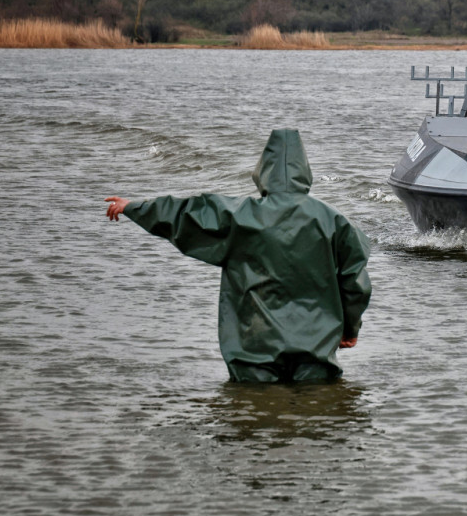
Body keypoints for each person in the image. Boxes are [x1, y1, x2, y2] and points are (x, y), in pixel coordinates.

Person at [106, 129, 372, 383]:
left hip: (255, 345)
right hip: (315, 344)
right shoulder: (336, 222)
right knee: (319, 411)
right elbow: (354, 282)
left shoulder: (239, 215)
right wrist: (350, 329)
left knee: (251, 413)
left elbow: (184, 214)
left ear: (264, 171)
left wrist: (134, 207)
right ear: (305, 172)